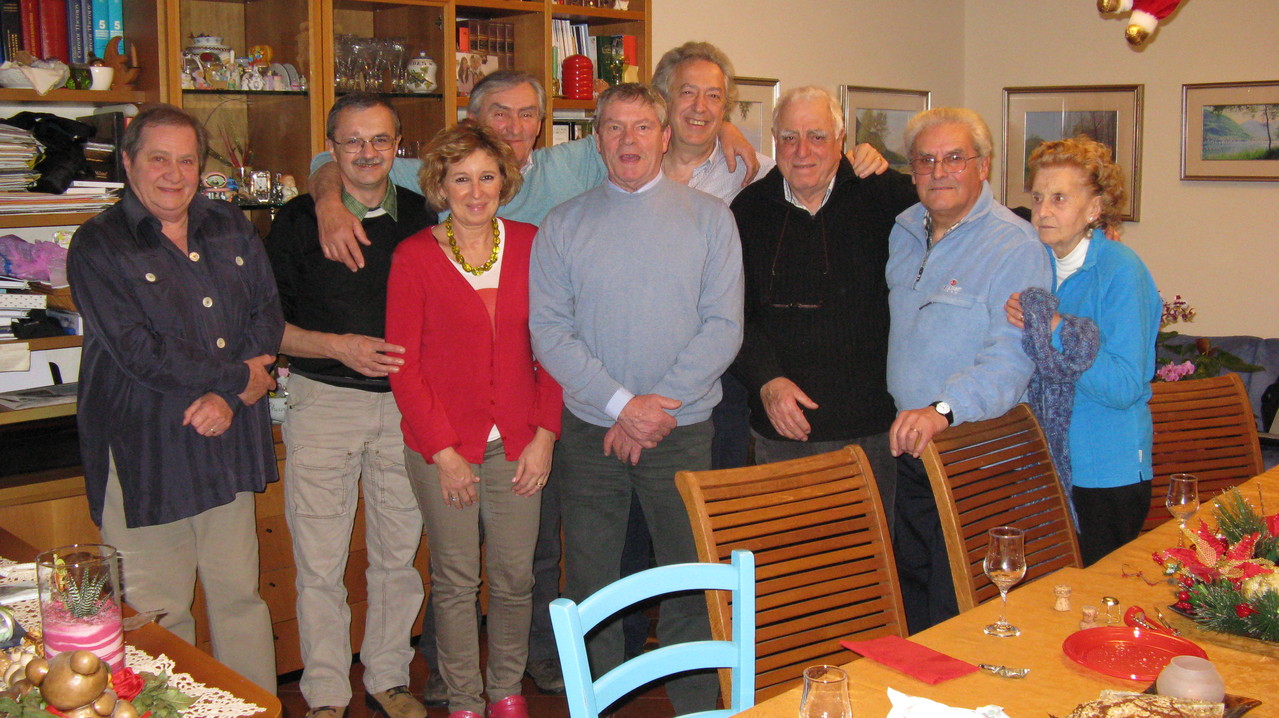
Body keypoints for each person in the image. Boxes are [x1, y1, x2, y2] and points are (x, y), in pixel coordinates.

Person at [528, 83, 743, 716]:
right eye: (615, 128)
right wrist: (624, 404)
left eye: (642, 127)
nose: (629, 140)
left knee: (689, 575)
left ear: (664, 135)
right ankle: (593, 697)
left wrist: (654, 407)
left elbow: (724, 328)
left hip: (682, 429)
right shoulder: (564, 224)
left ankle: (700, 702)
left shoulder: (711, 219)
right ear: (596, 140)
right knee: (591, 578)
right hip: (592, 433)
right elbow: (550, 333)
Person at [67, 104, 281, 691]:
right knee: (159, 615)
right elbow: (139, 351)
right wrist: (237, 380)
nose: (174, 173)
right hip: (146, 452)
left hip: (224, 439)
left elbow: (267, 320)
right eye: (158, 158)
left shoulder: (232, 227)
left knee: (240, 598)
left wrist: (230, 398)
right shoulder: (97, 244)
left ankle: (255, 707)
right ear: (130, 162)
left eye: (186, 159)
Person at [265, 94, 436, 718]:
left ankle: (388, 678)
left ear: (400, 146)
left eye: (381, 140)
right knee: (319, 562)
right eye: (352, 141)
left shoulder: (425, 217)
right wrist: (337, 346)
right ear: (331, 149)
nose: (367, 153)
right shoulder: (295, 221)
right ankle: (327, 694)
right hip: (322, 403)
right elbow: (267, 326)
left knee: (398, 558)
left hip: (406, 411)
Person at [387, 120, 562, 718]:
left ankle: (505, 690)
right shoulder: (413, 257)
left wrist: (544, 437)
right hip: (444, 448)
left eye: (487, 176)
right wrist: (444, 452)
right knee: (457, 581)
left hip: (517, 442)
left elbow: (556, 347)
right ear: (440, 184)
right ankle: (463, 698)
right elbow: (404, 370)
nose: (475, 190)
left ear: (504, 181)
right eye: (461, 178)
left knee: (516, 577)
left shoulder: (534, 243)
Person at [885, 107, 1052, 633]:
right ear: (911, 170)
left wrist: (943, 410)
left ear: (984, 166)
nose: (940, 171)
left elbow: (1012, 358)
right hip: (911, 448)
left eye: (955, 158)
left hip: (976, 452)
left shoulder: (1015, 244)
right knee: (911, 595)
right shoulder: (904, 230)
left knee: (956, 605)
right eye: (926, 160)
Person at [729, 86, 917, 528]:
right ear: (775, 141)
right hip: (782, 428)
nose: (802, 150)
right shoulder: (747, 210)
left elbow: (957, 215)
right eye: (789, 137)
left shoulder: (889, 197)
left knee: (867, 572)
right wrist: (766, 381)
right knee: (789, 568)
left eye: (817, 136)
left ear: (841, 139)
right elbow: (731, 314)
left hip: (869, 430)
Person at [1005, 136, 1160, 566]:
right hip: (1042, 464)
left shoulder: (1120, 270)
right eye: (1037, 197)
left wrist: (1055, 330)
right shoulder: (1033, 265)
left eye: (1059, 198)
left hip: (1106, 472)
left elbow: (1125, 385)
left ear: (1095, 208)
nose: (1042, 211)